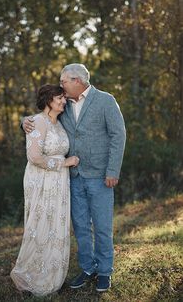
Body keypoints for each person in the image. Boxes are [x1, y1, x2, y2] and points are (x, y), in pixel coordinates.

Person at [23, 64, 126, 292]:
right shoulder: (64, 103)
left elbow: (118, 135)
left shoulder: (105, 100)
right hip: (73, 177)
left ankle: (105, 271)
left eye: (63, 81)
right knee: (80, 226)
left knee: (102, 226)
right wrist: (24, 121)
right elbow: (44, 118)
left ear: (77, 81)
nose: (61, 85)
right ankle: (88, 268)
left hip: (100, 176)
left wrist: (113, 171)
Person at [11, 84, 79, 297]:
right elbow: (34, 157)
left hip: (59, 182)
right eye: (60, 98)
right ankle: (29, 274)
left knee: (55, 226)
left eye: (64, 98)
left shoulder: (59, 124)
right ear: (49, 99)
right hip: (41, 180)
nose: (63, 101)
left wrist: (63, 166)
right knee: (40, 224)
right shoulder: (37, 122)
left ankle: (52, 274)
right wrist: (64, 163)